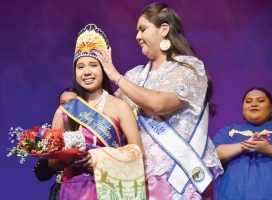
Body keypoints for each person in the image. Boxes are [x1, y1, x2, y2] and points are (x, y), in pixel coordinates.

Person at [97, 2, 223, 199]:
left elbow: (159, 104)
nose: (137, 36)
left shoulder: (189, 69)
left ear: (164, 29)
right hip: (142, 176)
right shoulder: (134, 76)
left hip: (180, 175)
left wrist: (115, 76)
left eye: (143, 29)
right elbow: (108, 116)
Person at [50, 24, 143, 200]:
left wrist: (99, 158)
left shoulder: (120, 106)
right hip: (73, 189)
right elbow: (52, 162)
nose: (87, 72)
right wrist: (69, 156)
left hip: (110, 188)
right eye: (80, 67)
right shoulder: (64, 112)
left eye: (93, 65)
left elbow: (138, 152)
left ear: (103, 69)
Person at [213, 87, 272, 200]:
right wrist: (245, 145)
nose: (254, 104)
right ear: (242, 108)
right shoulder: (229, 131)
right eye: (248, 101)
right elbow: (213, 156)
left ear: (271, 107)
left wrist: (268, 149)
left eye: (260, 100)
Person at [33, 87, 77, 200]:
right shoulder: (52, 134)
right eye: (63, 104)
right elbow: (42, 175)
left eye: (73, 102)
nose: (67, 107)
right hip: (61, 191)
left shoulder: (92, 133)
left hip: (88, 189)